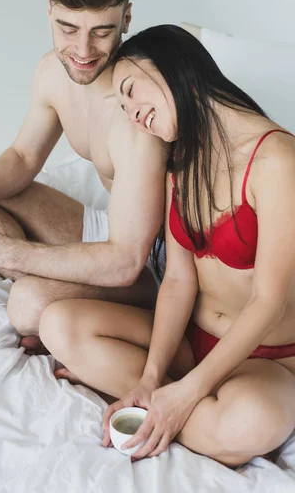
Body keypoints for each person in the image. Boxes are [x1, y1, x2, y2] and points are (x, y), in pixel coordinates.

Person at [38, 25, 295, 467]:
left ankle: (173, 413)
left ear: (177, 67)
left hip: (265, 357)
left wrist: (186, 392)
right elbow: (177, 280)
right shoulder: (181, 159)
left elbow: (268, 301)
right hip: (190, 344)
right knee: (59, 324)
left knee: (250, 420)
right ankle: (169, 408)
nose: (134, 114)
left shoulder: (278, 160)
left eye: (133, 92)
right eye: (123, 108)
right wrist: (153, 376)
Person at [0, 0, 168, 353]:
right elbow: (25, 156)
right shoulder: (52, 71)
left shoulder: (138, 105)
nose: (83, 50)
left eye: (102, 32)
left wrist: (7, 251)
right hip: (111, 229)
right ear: (49, 12)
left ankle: (64, 303)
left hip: (153, 266)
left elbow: (126, 261)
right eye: (68, 28)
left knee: (27, 304)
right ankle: (51, 285)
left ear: (127, 19)